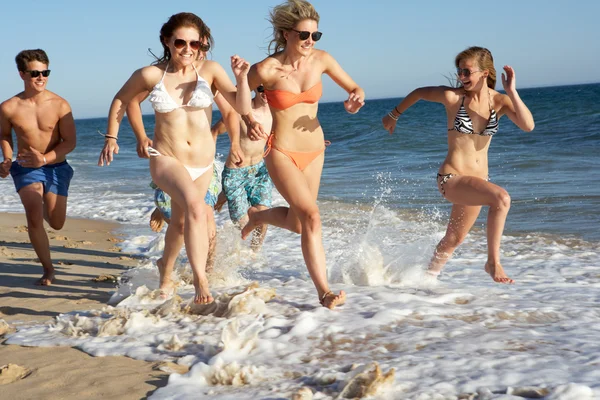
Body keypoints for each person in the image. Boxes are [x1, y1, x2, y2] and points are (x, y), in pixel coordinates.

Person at [98, 12, 252, 304]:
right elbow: (122, 99)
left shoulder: (211, 70)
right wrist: (113, 137)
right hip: (167, 159)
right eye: (180, 42)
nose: (188, 49)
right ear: (167, 41)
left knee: (181, 224)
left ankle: (165, 271)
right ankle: (200, 281)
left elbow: (240, 106)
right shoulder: (151, 75)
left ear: (202, 43)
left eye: (195, 43)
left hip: (203, 163)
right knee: (196, 208)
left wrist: (242, 78)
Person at [241, 0, 365, 309]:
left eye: (315, 36)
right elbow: (234, 96)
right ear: (286, 34)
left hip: (315, 150)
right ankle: (324, 291)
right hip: (281, 150)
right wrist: (248, 121)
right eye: (303, 35)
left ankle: (260, 216)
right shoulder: (265, 69)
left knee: (299, 223)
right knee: (312, 217)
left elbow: (355, 88)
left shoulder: (322, 60)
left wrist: (354, 101)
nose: (310, 42)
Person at [381, 46, 535, 284]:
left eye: (467, 72)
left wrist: (512, 91)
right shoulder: (454, 98)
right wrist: (393, 115)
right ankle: (493, 262)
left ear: (485, 73)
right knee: (501, 199)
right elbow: (420, 92)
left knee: (453, 239)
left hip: (476, 183)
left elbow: (528, 126)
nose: (461, 77)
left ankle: (425, 280)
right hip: (451, 179)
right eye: (459, 72)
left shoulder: (500, 102)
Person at [0, 49, 76, 286]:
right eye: (35, 73)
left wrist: (44, 159)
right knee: (33, 213)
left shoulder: (60, 104)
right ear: (22, 74)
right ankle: (48, 269)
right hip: (25, 167)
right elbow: (4, 135)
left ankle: (46, 199)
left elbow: (70, 142)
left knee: (56, 222)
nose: (41, 77)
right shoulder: (8, 107)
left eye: (45, 72)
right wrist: (7, 159)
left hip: (55, 166)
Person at [219, 85, 273, 251]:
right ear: (254, 89)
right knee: (243, 224)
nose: (265, 92)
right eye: (261, 88)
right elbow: (216, 130)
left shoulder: (276, 113)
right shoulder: (240, 110)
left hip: (260, 171)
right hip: (236, 173)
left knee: (263, 218)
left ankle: (254, 256)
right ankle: (222, 195)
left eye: (270, 88)